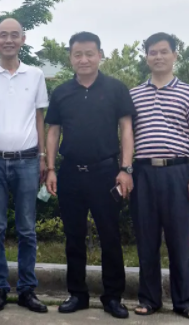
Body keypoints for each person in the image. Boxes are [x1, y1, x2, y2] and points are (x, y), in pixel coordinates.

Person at [45, 31, 135, 319]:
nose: (83, 59)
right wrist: (50, 168)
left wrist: (126, 169)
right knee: (73, 236)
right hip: (70, 172)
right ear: (70, 58)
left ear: (100, 55)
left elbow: (126, 129)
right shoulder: (61, 92)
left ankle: (113, 297)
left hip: (106, 172)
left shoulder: (116, 89)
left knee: (110, 236)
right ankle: (77, 294)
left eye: (89, 54)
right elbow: (53, 131)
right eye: (77, 54)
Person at [129, 32, 189, 321]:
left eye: (164, 51)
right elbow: (127, 135)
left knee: (178, 240)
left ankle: (184, 301)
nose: (158, 57)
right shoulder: (134, 94)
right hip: (143, 173)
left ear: (175, 55)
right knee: (146, 239)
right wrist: (126, 171)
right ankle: (149, 299)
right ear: (146, 57)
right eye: (153, 52)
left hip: (177, 172)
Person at [0, 18, 48, 313]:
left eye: (14, 35)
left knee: (27, 229)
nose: (8, 40)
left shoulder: (36, 75)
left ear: (23, 40)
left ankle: (28, 289)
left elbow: (40, 118)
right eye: (3, 35)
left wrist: (43, 157)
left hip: (28, 161)